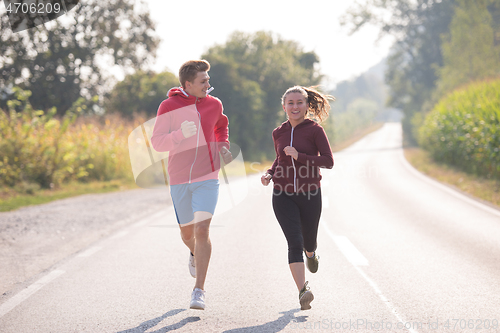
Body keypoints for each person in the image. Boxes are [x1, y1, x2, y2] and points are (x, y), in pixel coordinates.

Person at [151, 60, 232, 310]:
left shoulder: (214, 104)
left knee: (202, 231)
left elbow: (221, 126)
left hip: (207, 175)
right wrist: (179, 135)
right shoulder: (168, 106)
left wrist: (222, 146)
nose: (208, 84)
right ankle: (195, 253)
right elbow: (157, 142)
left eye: (208, 79)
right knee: (187, 234)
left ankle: (199, 290)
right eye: (203, 81)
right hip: (179, 178)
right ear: (188, 84)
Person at [261, 86, 334, 310]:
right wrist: (270, 173)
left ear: (306, 105)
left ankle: (311, 253)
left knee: (308, 241)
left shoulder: (315, 130)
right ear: (284, 107)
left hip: (310, 193)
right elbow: (279, 159)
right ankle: (303, 290)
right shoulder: (278, 132)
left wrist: (300, 156)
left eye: (299, 102)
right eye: (290, 103)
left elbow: (328, 161)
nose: (295, 107)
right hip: (282, 194)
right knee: (294, 242)